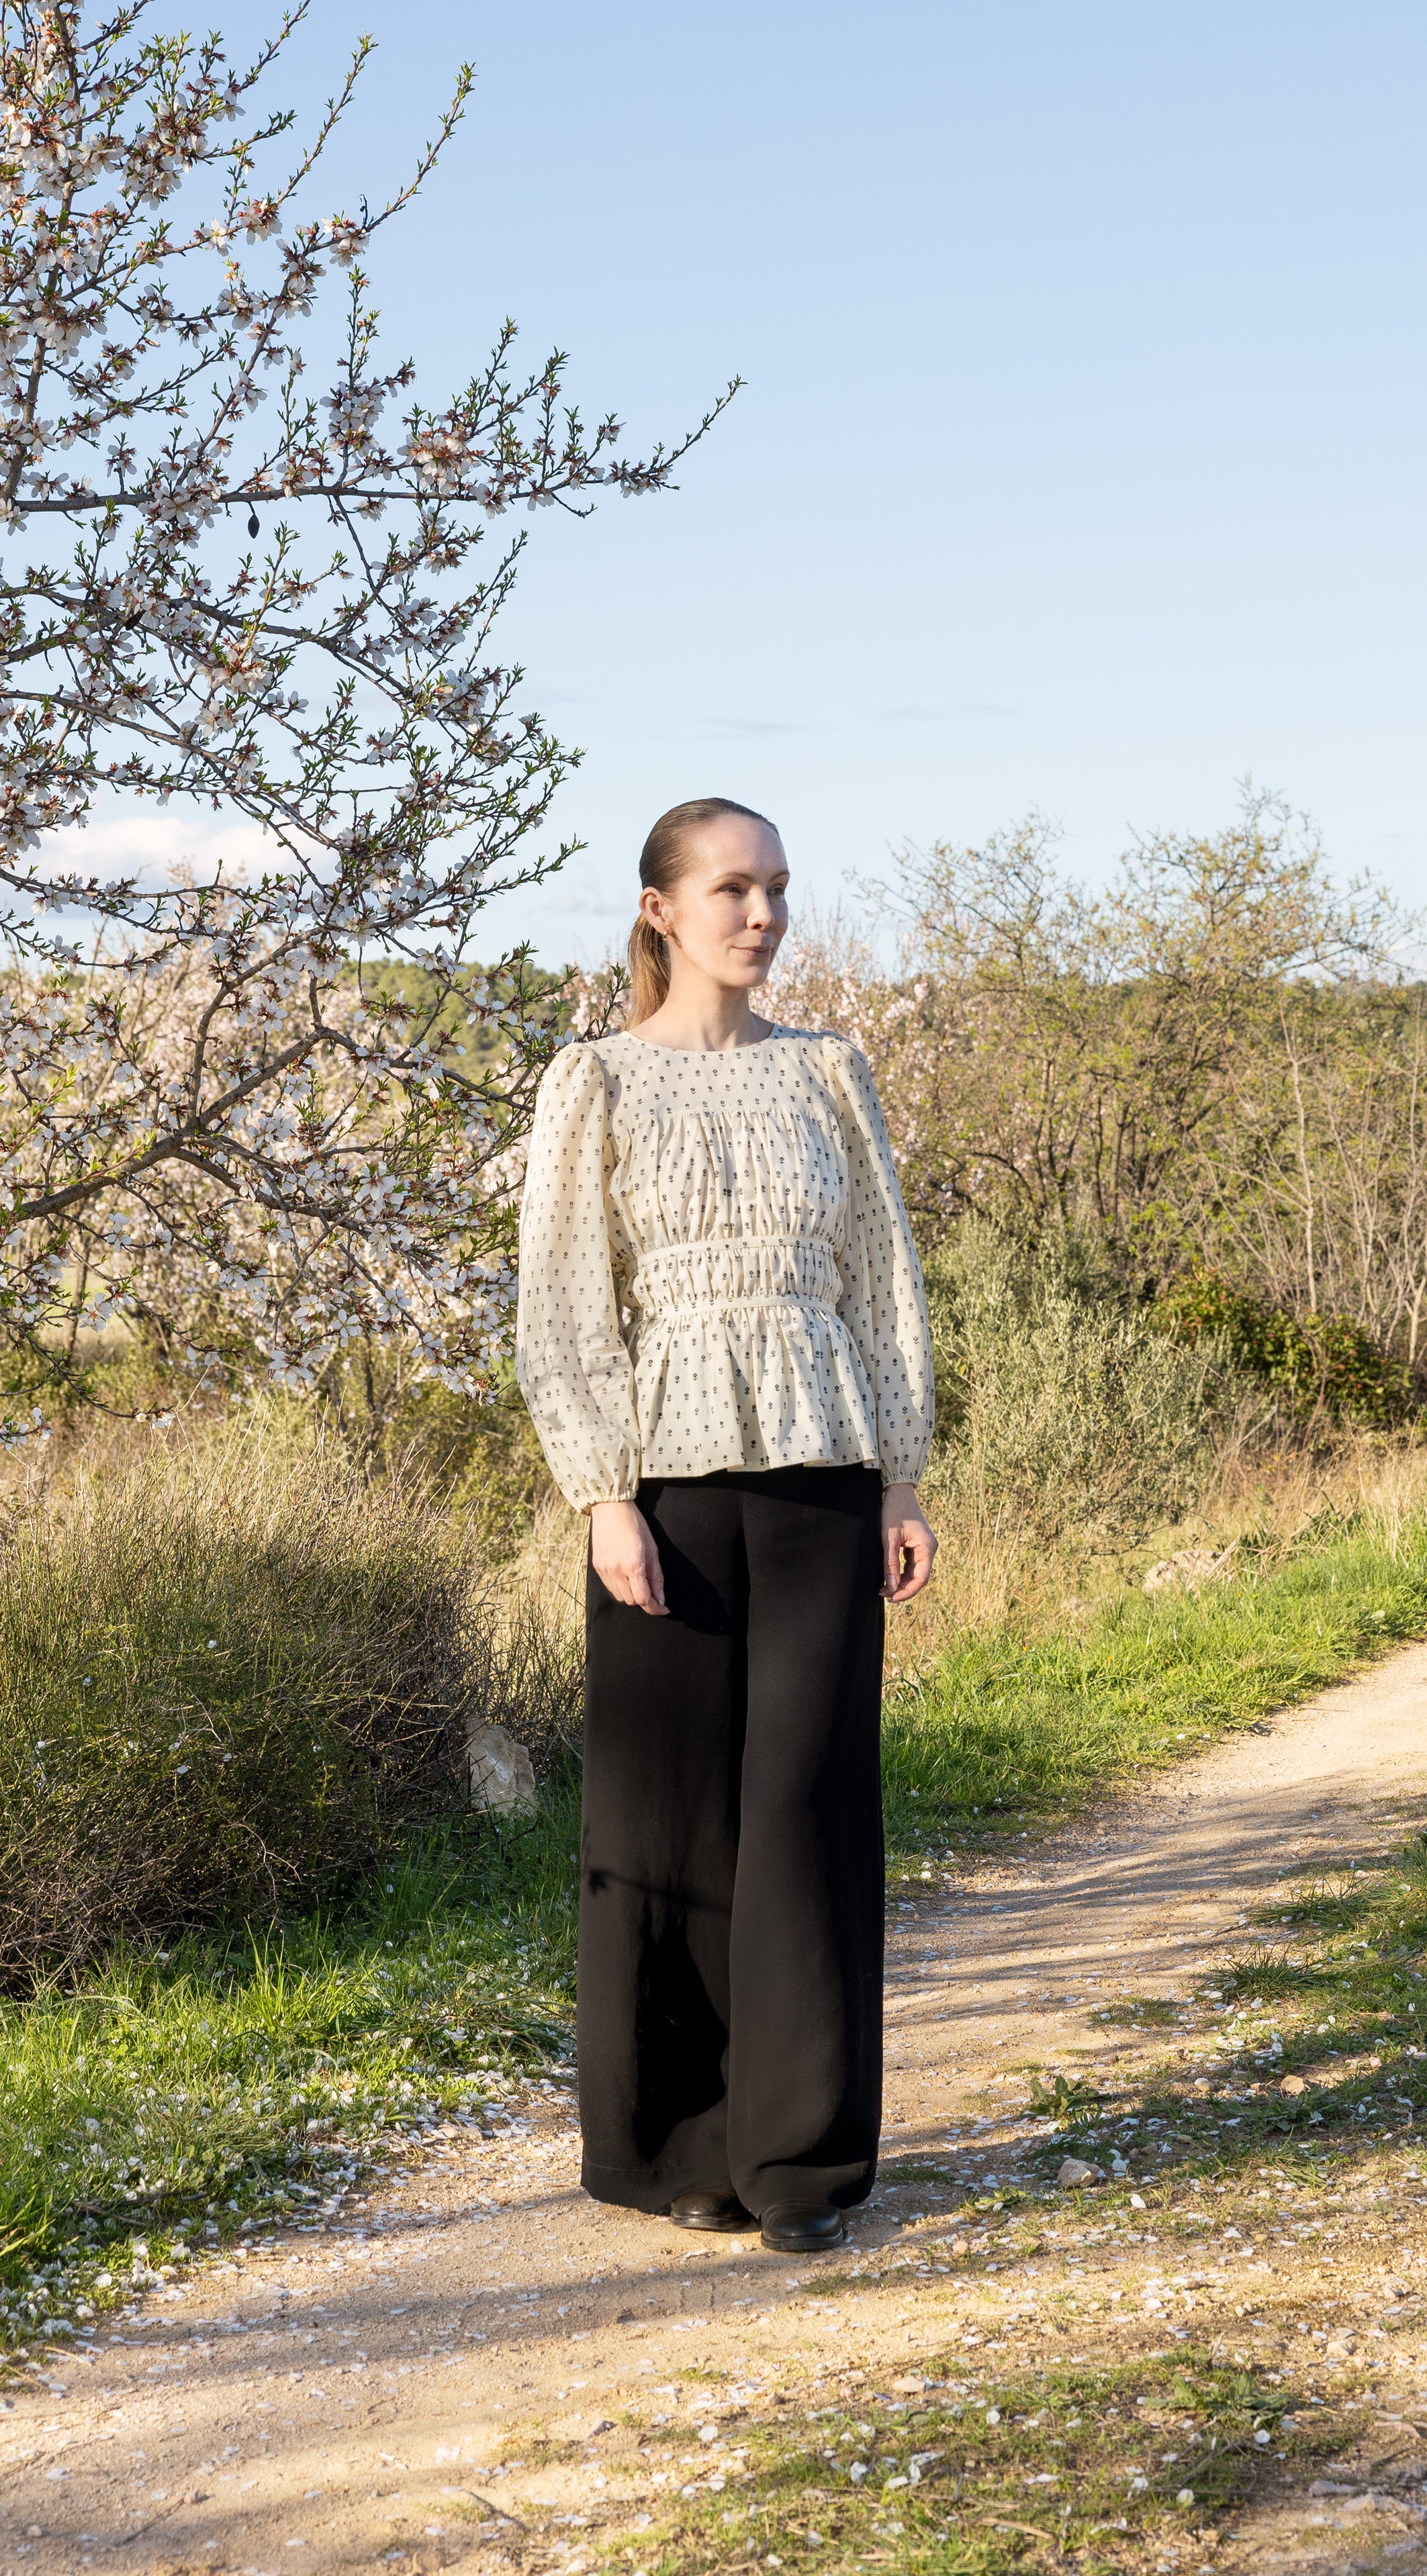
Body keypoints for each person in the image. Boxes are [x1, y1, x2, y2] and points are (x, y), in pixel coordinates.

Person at [514, 796, 937, 2256]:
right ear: (659, 909)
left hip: (825, 1471)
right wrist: (602, 1493)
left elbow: (881, 1283)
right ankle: (680, 2145)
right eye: (730, 889)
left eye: (774, 889)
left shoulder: (830, 1072)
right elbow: (565, 1303)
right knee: (672, 1811)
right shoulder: (596, 1082)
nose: (759, 915)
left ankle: (801, 2161)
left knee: (807, 1809)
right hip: (667, 1492)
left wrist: (900, 1471)